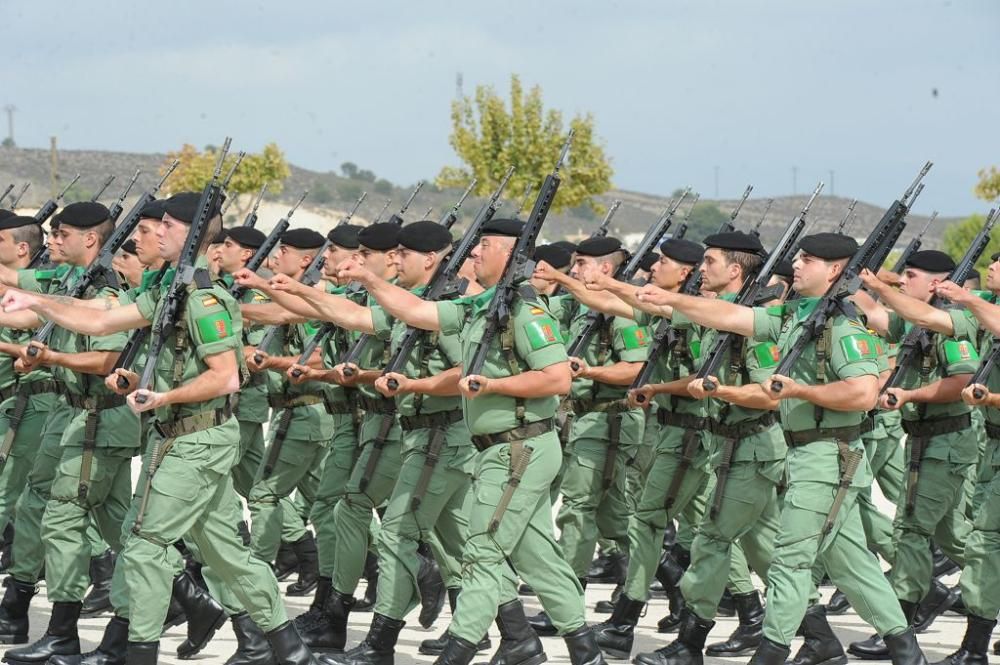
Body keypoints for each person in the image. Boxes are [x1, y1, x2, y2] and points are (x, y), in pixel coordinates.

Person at [1, 191, 319, 665]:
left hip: (195, 436)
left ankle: (137, 654)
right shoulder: (172, 290)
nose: (153, 230)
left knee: (146, 547)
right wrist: (37, 301)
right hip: (180, 435)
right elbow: (103, 318)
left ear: (191, 236)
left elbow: (225, 376)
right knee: (225, 551)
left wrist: (164, 396)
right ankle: (288, 649)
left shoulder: (205, 299)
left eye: (167, 224)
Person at [634, 232, 927, 665]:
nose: (796, 263)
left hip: (829, 455)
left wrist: (800, 391)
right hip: (805, 453)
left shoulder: (843, 326)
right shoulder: (796, 316)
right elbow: (730, 317)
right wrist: (673, 300)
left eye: (808, 259)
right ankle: (907, 653)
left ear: (833, 271)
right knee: (851, 565)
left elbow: (863, 393)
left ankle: (769, 654)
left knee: (790, 562)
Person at [337, 218, 606, 665]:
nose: (473, 254)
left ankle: (458, 651)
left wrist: (494, 387)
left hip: (521, 447)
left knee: (481, 551)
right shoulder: (482, 305)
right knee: (536, 556)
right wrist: (367, 277)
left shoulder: (527, 310)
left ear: (510, 255)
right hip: (496, 449)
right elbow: (418, 313)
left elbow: (557, 378)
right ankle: (585, 652)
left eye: (484, 246)